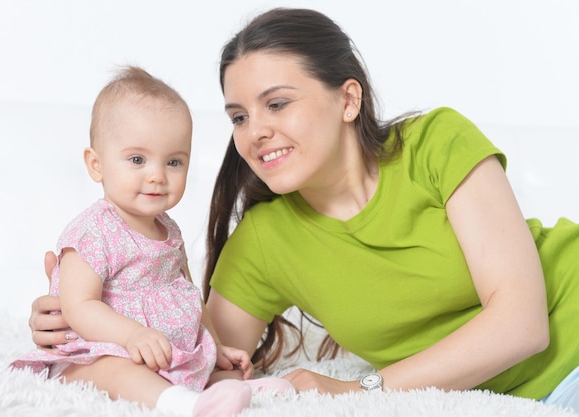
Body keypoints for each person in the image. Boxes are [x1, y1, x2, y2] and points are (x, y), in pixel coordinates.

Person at [28, 8, 579, 413]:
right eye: (239, 116)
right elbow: (195, 361)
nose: (255, 132)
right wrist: (84, 321)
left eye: (277, 103)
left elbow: (521, 325)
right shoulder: (266, 241)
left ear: (348, 99)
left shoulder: (436, 142)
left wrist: (357, 390)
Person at [12, 66, 293, 417]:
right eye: (137, 159)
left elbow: (190, 298)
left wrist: (217, 347)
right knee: (117, 371)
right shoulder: (93, 232)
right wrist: (131, 336)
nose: (158, 175)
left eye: (174, 161)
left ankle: (230, 387)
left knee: (207, 365)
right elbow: (79, 305)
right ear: (96, 165)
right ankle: (186, 405)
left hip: (162, 350)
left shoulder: (169, 230)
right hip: (98, 353)